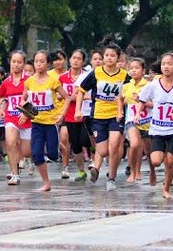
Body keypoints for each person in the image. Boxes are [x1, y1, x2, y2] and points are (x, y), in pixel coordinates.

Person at [74, 43, 129, 191]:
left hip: (116, 116)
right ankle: (100, 167)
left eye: (113, 56)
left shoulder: (124, 75)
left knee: (114, 144)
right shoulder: (96, 73)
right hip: (98, 116)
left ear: (118, 58)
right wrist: (78, 110)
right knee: (103, 151)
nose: (109, 58)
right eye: (107, 55)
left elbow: (131, 92)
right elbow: (81, 91)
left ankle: (111, 178)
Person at [137, 53, 173, 199]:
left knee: (169, 160)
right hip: (157, 129)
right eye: (163, 64)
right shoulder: (153, 85)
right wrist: (137, 115)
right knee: (155, 161)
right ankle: (170, 169)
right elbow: (141, 100)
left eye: (169, 64)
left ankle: (166, 190)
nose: (166, 66)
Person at [21, 50, 68, 192]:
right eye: (36, 61)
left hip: (51, 122)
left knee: (53, 155)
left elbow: (68, 97)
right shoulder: (29, 81)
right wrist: (25, 113)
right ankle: (46, 183)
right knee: (36, 154)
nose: (38, 64)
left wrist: (62, 114)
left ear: (48, 64)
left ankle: (59, 146)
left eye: (42, 61)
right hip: (36, 122)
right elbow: (24, 99)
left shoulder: (53, 81)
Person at [0, 51, 29, 185]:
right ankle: (14, 174)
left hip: (27, 117)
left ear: (24, 64)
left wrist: (26, 113)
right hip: (11, 116)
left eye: (19, 62)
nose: (16, 65)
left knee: (26, 151)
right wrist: (1, 109)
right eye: (13, 62)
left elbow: (34, 100)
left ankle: (23, 160)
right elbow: (2, 98)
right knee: (10, 143)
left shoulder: (29, 80)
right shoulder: (6, 82)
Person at [122, 57, 154, 185]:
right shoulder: (126, 86)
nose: (134, 71)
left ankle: (152, 171)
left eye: (137, 68)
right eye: (131, 68)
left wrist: (142, 101)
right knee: (134, 145)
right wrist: (119, 111)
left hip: (148, 121)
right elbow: (121, 100)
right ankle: (133, 171)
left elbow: (155, 104)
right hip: (132, 120)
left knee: (148, 150)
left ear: (143, 70)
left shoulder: (149, 86)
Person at [57, 50, 89, 181]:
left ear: (83, 62)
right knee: (70, 141)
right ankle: (77, 170)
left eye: (79, 59)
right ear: (69, 60)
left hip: (84, 113)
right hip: (68, 114)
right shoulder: (62, 77)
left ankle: (90, 157)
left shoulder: (87, 76)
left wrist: (75, 97)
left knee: (83, 141)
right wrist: (66, 97)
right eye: (73, 58)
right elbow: (58, 95)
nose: (76, 61)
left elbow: (89, 95)